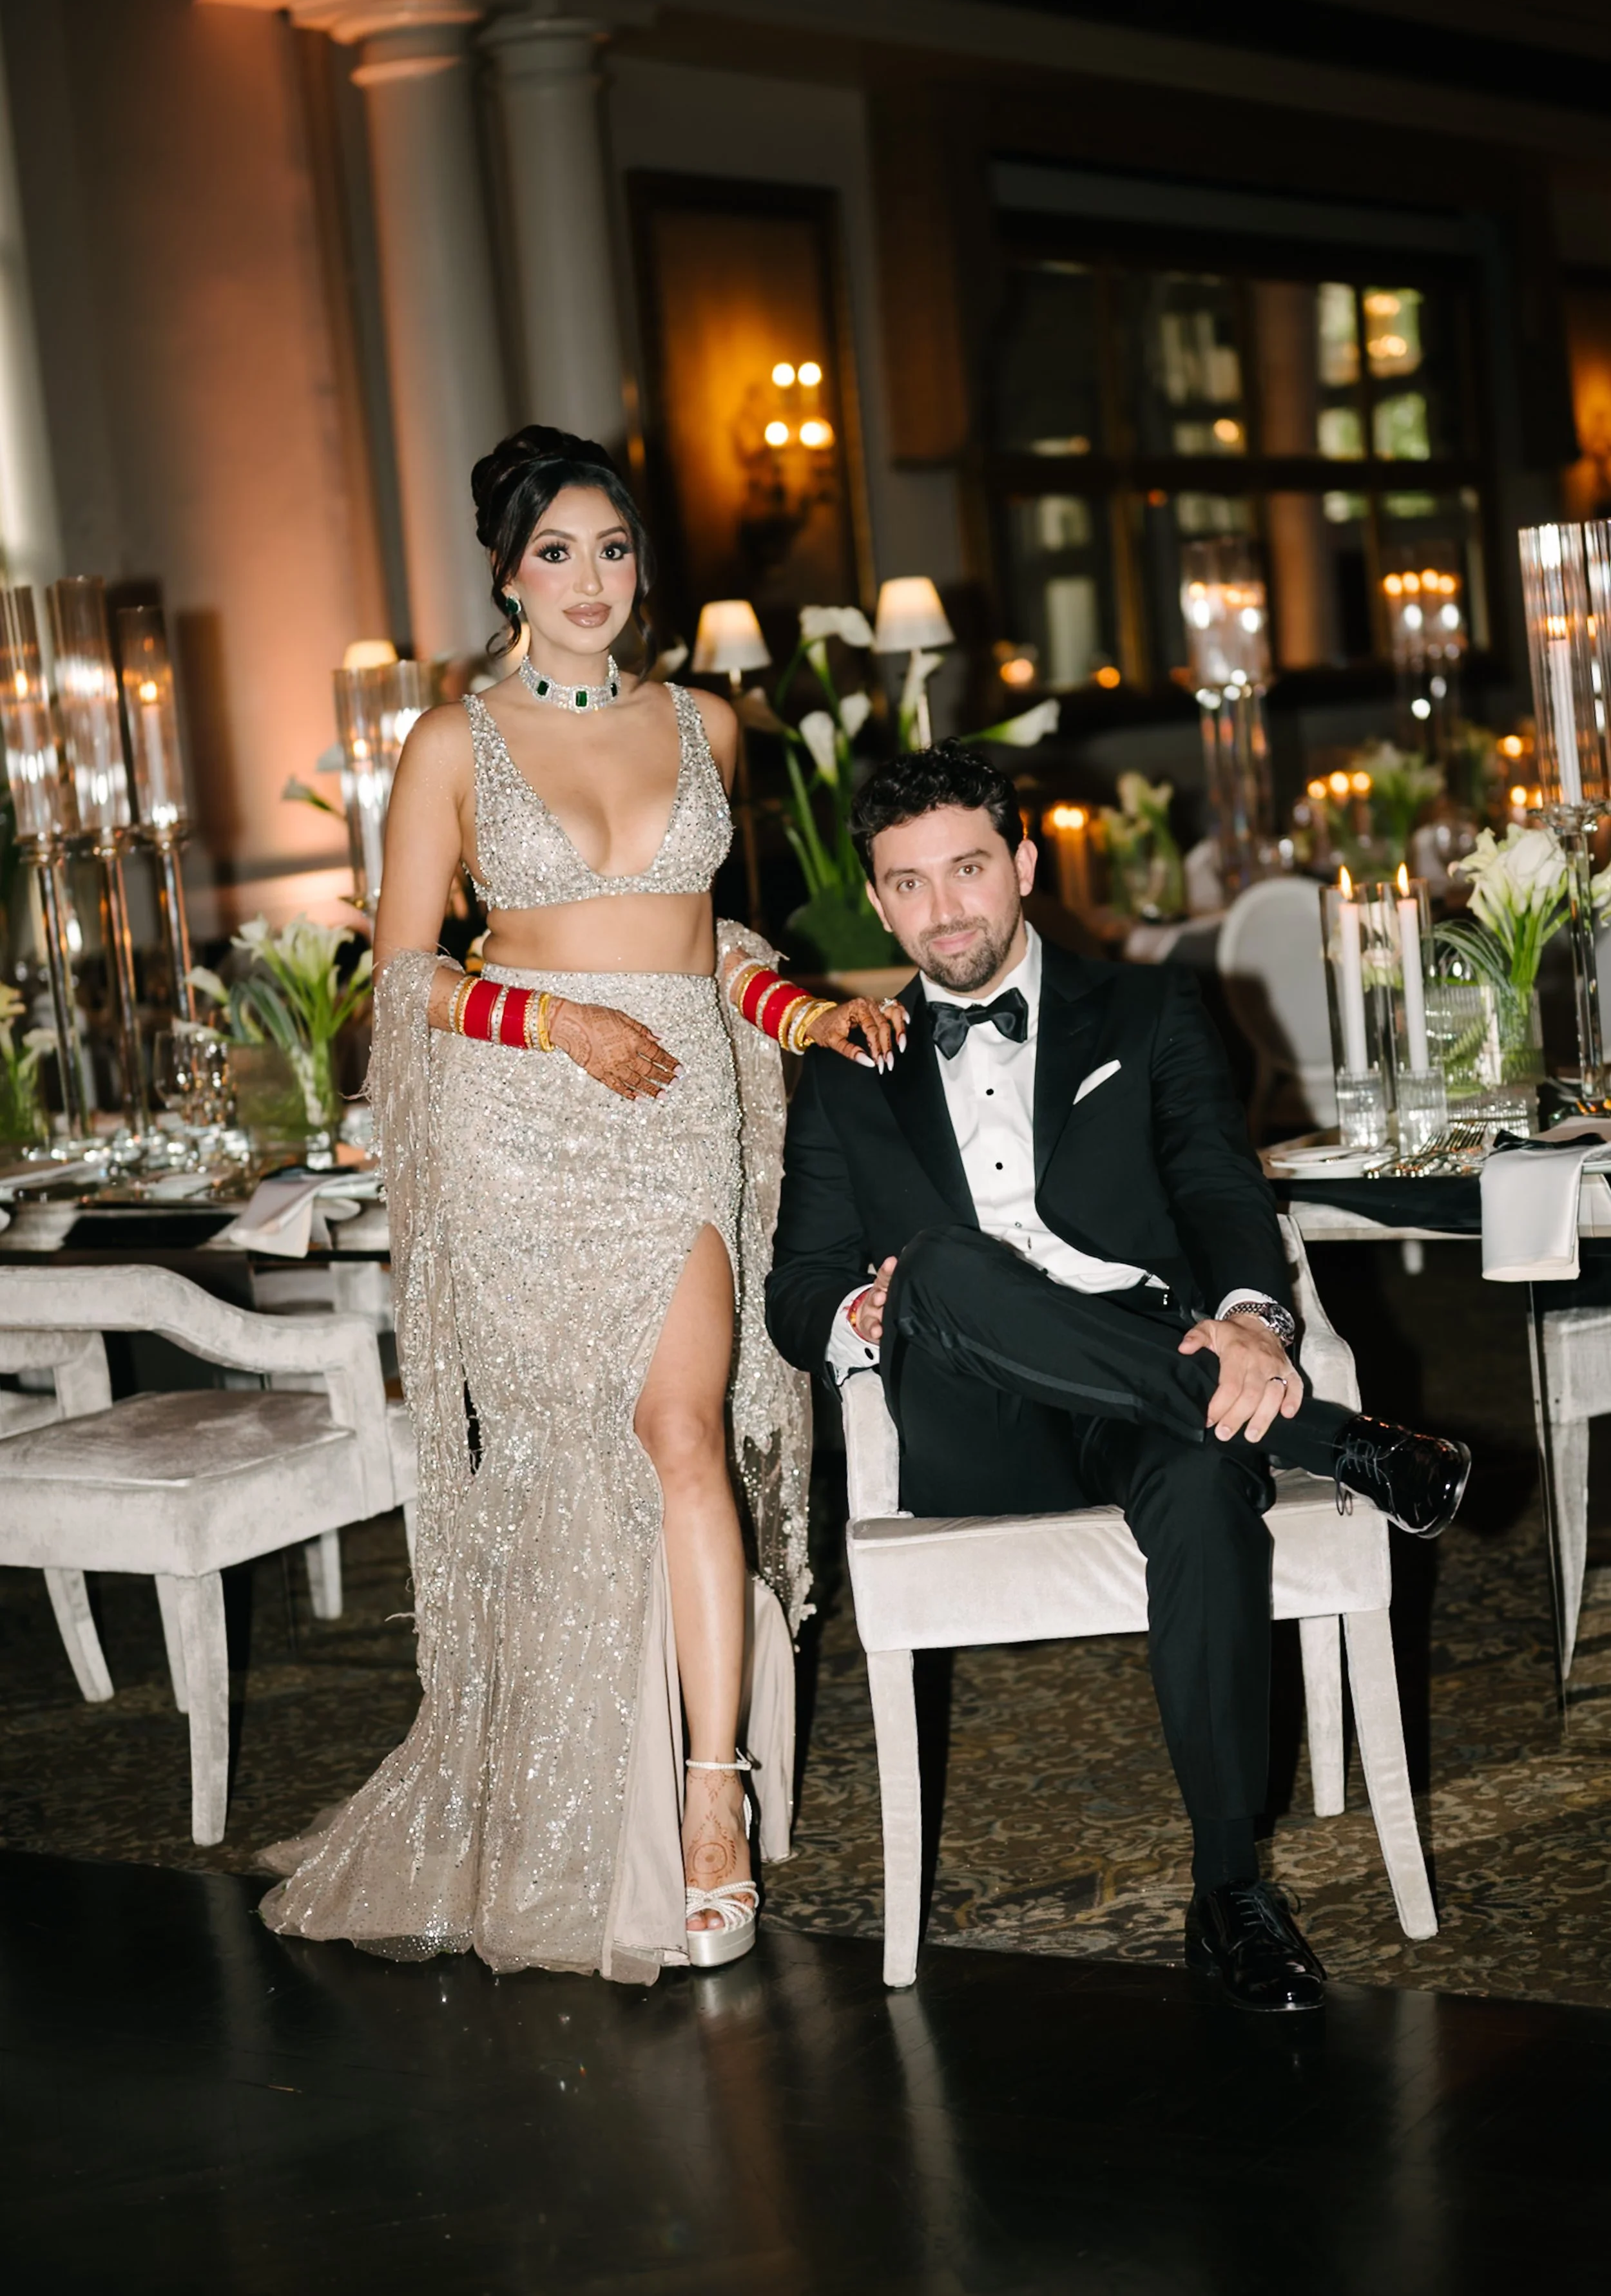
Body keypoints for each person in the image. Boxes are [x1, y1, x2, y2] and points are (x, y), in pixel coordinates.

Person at [261, 426, 898, 1980]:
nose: (591, 579)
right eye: (557, 551)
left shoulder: (709, 724)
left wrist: (798, 1013)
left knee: (684, 1435)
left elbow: (707, 939)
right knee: (571, 1470)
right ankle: (554, 1791)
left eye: (612, 547)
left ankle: (708, 1802)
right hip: (521, 1136)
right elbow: (405, 986)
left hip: (678, 1120)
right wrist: (551, 1020)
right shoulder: (446, 744)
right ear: (504, 571)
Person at [764, 742, 1470, 2016]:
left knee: (1203, 1477)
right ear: (876, 902)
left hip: (1161, 1374)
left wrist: (1254, 1320)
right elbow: (794, 1291)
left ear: (1023, 864)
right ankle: (1327, 1438)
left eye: (968, 868)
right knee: (932, 1269)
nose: (946, 910)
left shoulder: (1143, 1012)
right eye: (909, 885)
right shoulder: (841, 1069)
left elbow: (1214, 1186)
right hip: (973, 1414)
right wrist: (859, 1313)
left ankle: (1226, 1891)